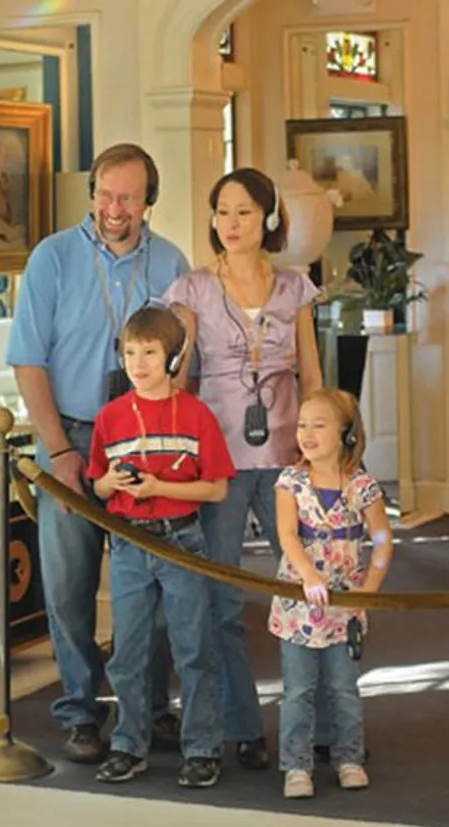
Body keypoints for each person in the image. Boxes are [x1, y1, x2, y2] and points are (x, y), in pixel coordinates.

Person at [7, 143, 191, 763]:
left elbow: (184, 362)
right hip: (72, 438)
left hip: (149, 439)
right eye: (107, 195)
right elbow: (28, 360)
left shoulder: (170, 263)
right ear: (93, 194)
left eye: (129, 197)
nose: (116, 209)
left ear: (148, 201)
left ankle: (150, 707)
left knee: (155, 582)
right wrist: (59, 451)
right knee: (69, 587)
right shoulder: (52, 258)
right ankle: (81, 711)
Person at [163, 167, 323, 769]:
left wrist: (324, 452)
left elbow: (313, 375)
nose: (231, 224)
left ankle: (313, 725)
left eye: (245, 212)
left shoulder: (296, 288)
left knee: (306, 594)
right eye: (222, 212)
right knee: (222, 600)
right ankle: (244, 726)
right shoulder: (193, 290)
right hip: (219, 461)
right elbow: (178, 378)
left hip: (287, 457)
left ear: (269, 219)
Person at [88, 304, 231, 788]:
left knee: (193, 646)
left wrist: (159, 491)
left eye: (150, 352)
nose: (138, 363)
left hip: (181, 539)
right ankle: (129, 744)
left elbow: (215, 489)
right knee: (127, 650)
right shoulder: (109, 419)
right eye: (130, 353)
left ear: (173, 358)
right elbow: (99, 490)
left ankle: (202, 747)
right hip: (128, 544)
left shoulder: (196, 414)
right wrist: (109, 483)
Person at [270, 388, 393, 798]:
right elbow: (287, 535)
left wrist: (366, 595)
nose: (306, 433)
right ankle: (296, 766)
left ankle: (349, 757)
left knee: (343, 687)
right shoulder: (290, 481)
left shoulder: (362, 485)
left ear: (345, 432)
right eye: (302, 424)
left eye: (318, 425)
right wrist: (308, 575)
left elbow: (382, 539)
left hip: (345, 607)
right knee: (298, 688)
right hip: (298, 606)